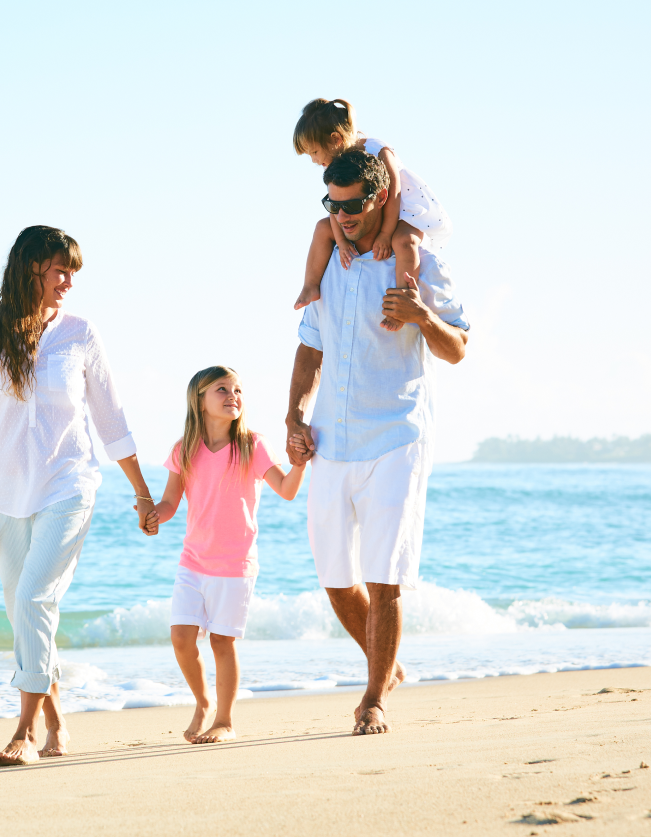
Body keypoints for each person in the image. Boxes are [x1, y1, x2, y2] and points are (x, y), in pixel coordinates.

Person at [0, 225, 156, 766]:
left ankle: (24, 732)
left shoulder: (81, 333)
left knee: (35, 599)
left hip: (69, 485)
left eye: (73, 272)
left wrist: (143, 494)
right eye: (61, 270)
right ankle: (57, 719)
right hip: (5, 495)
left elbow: (111, 418)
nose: (68, 282)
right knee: (24, 614)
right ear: (30, 268)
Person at [285, 149, 469, 735]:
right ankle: (386, 667)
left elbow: (457, 348)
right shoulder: (328, 264)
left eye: (353, 206)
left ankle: (373, 701)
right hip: (332, 442)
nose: (342, 217)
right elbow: (310, 345)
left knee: (385, 577)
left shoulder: (418, 260)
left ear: (379, 199)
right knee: (338, 581)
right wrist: (294, 413)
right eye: (331, 206)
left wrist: (420, 315)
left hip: (396, 435)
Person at [144, 366, 307, 744]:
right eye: (222, 389)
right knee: (181, 638)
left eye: (237, 390)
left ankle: (225, 720)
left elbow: (285, 490)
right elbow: (170, 502)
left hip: (235, 566)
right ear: (199, 400)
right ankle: (202, 703)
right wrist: (155, 516)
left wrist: (300, 464)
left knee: (221, 642)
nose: (233, 395)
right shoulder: (184, 448)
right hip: (193, 562)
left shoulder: (251, 444)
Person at [291, 98, 453, 333]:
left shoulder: (376, 148)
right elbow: (336, 207)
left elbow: (394, 193)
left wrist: (387, 234)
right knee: (321, 228)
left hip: (405, 210)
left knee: (403, 242)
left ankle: (403, 302)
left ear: (335, 139)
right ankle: (310, 285)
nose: (314, 160)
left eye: (314, 152)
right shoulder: (337, 165)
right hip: (366, 209)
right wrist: (342, 242)